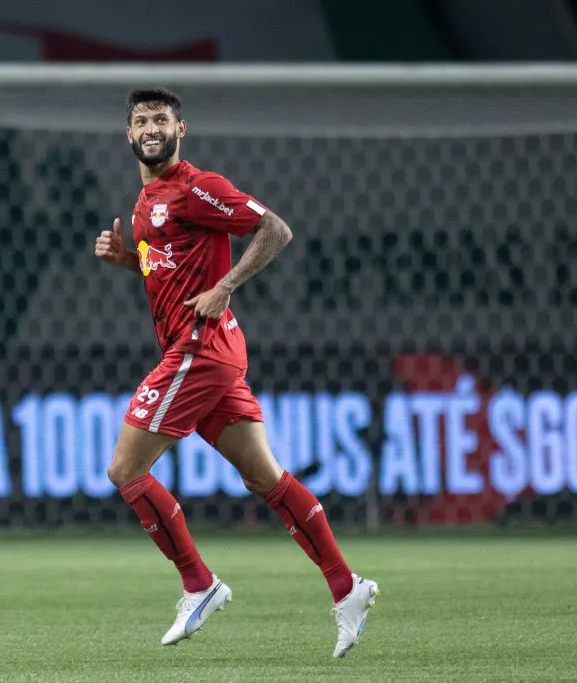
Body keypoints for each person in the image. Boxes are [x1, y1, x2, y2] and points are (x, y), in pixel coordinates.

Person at [94, 88, 380, 658]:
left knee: (126, 470)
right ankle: (347, 587)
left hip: (200, 351)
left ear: (182, 129)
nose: (151, 127)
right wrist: (129, 261)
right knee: (265, 478)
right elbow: (170, 269)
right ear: (128, 134)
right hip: (211, 352)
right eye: (141, 120)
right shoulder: (146, 199)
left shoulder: (199, 187)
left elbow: (275, 229)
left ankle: (200, 583)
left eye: (161, 119)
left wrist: (226, 286)